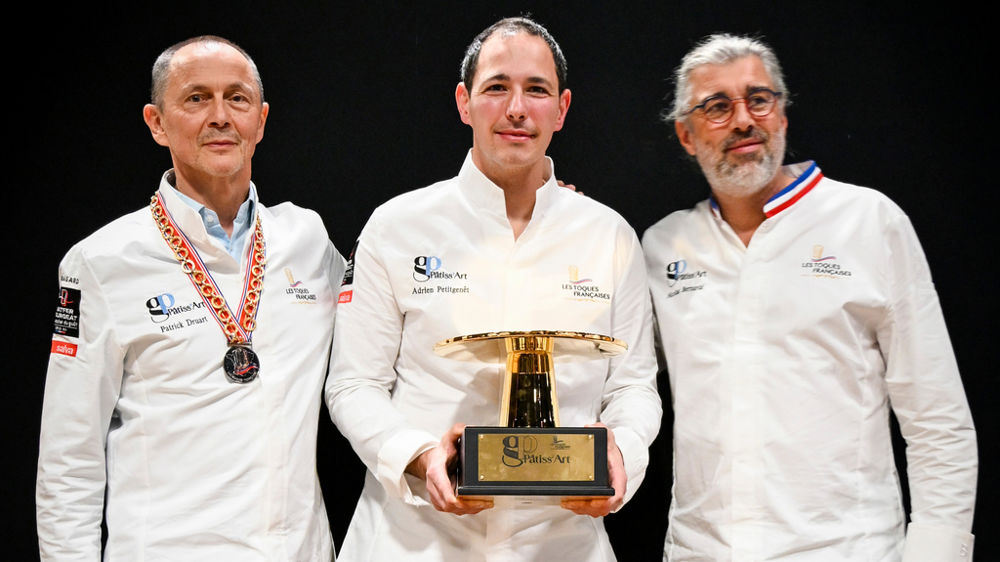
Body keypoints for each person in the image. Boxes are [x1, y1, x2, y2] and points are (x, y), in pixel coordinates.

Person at [326, 17, 661, 561]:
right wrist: (419, 457)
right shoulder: (396, 227)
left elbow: (634, 389)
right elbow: (353, 384)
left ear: (563, 107)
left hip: (561, 541)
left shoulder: (609, 235)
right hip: (413, 540)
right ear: (464, 102)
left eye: (537, 90)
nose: (516, 109)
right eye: (497, 87)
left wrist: (621, 452)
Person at [642, 33, 977, 561]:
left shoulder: (869, 221)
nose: (743, 120)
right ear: (685, 135)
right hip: (700, 551)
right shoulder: (662, 247)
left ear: (782, 116)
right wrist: (555, 222)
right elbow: (617, 380)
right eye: (717, 107)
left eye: (759, 99)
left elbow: (938, 420)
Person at [36, 36, 345, 560]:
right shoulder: (102, 261)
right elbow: (70, 460)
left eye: (238, 98)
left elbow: (385, 342)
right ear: (156, 122)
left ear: (262, 120)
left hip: (299, 550)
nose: (221, 116)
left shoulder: (307, 241)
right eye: (197, 98)